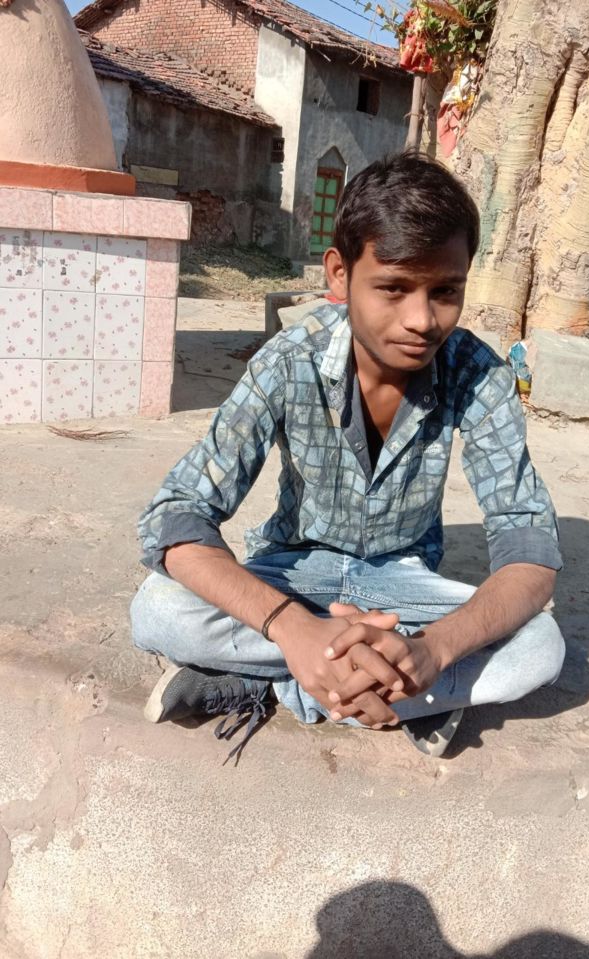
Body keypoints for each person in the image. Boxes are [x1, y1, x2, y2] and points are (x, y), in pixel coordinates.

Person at [131, 152, 565, 763]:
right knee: (157, 608)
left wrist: (434, 649)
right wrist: (293, 627)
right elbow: (177, 516)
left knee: (540, 645)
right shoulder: (289, 361)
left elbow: (529, 547)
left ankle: (273, 682)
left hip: (403, 589)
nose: (422, 320)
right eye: (393, 288)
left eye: (445, 291)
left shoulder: (479, 375)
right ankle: (412, 697)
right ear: (339, 274)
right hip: (294, 571)